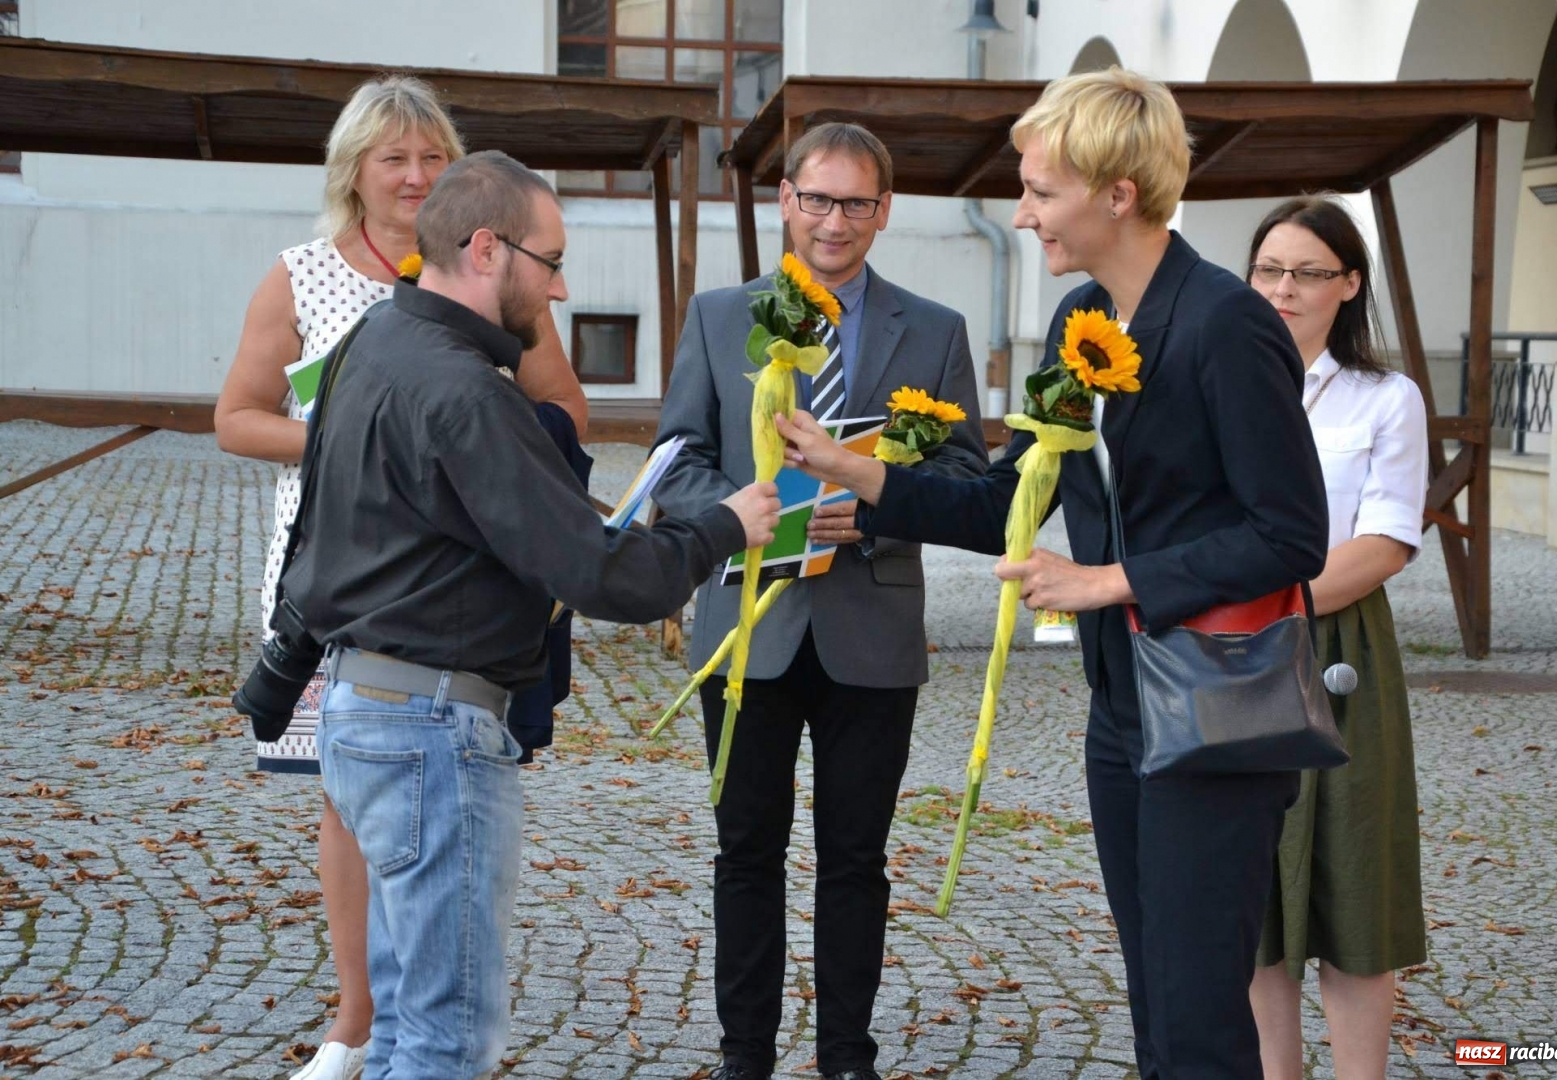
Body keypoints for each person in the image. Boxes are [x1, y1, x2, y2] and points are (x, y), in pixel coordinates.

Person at [775, 71, 1329, 1079]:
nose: (1022, 213)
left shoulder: (1225, 325)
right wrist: (865, 473)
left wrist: (1115, 580)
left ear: (1119, 193)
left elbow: (1292, 535)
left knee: (1202, 1023)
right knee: (1159, 1006)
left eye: (1041, 191)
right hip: (1124, 709)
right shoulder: (1083, 319)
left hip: (1216, 709)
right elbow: (1006, 500)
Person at [279, 150, 780, 1078]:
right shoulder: (466, 390)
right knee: (443, 1040)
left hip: (364, 712)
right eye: (548, 262)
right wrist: (723, 526)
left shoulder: (373, 346)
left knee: (397, 1029)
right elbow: (606, 577)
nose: (558, 288)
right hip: (430, 729)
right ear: (484, 249)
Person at [213, 76, 588, 1080]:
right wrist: (362, 442)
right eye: (394, 157)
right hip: (336, 558)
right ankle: (356, 1015)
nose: (416, 174)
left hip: (460, 570)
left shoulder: (491, 271)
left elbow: (562, 413)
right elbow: (235, 416)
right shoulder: (301, 275)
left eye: (432, 156)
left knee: (416, 791)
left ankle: (402, 1010)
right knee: (352, 789)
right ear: (355, 172)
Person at [651, 122, 988, 1080]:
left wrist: (873, 517)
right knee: (746, 854)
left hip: (869, 626)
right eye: (816, 198)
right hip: (747, 626)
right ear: (786, 200)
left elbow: (967, 479)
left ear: (884, 211)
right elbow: (677, 462)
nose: (833, 220)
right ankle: (744, 1056)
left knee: (855, 860)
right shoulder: (721, 316)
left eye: (855, 203)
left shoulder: (934, 331)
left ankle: (847, 1057)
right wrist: (734, 514)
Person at [1244, 196, 1428, 1080]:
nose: (1284, 289)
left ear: (1349, 285)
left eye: (1309, 272)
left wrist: (1273, 602)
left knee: (1353, 883)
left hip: (1333, 637)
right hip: (1230, 648)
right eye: (1269, 269)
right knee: (1254, 898)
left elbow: (1386, 540)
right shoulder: (1220, 379)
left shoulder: (1385, 398)